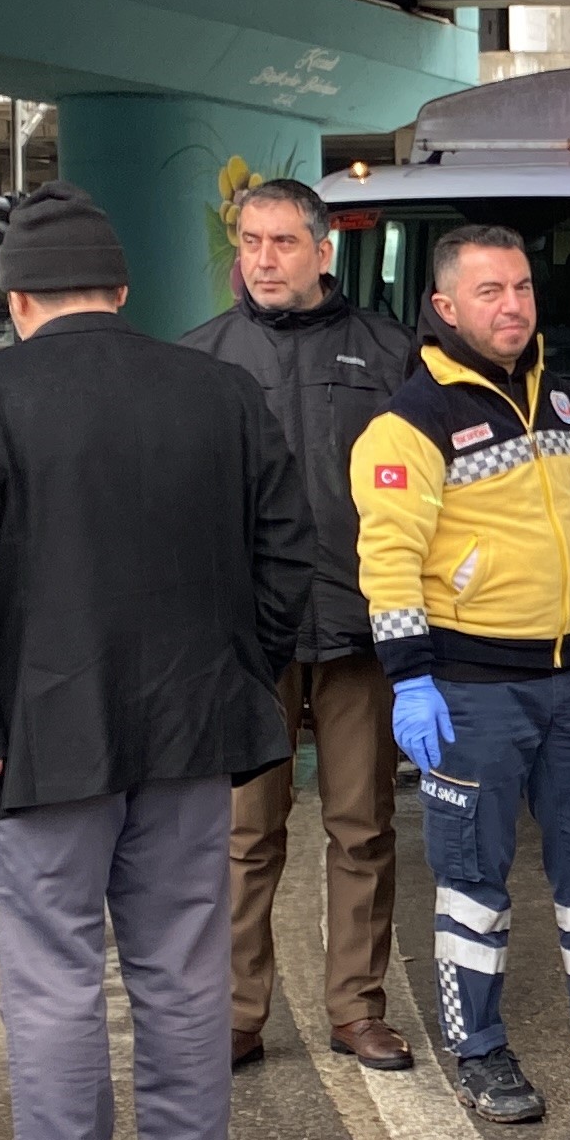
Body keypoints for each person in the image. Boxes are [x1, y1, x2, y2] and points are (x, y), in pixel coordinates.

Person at [0, 182, 317, 1140]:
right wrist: (243, 670)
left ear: (15, 297)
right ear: (122, 289)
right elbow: (289, 556)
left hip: (40, 746)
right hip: (193, 733)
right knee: (183, 970)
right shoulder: (220, 391)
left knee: (54, 980)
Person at [351, 223, 570, 1123]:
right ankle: (481, 1053)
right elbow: (389, 561)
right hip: (471, 688)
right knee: (473, 881)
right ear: (443, 308)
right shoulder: (409, 424)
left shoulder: (562, 405)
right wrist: (411, 678)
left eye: (521, 288)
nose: (511, 307)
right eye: (488, 292)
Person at [180, 178, 419, 1072]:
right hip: (249, 640)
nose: (264, 259)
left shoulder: (392, 353)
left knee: (362, 827)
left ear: (324, 251)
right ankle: (238, 1015)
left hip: (361, 632)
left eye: (283, 242)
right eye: (250, 242)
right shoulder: (200, 359)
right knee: (246, 836)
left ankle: (357, 1009)